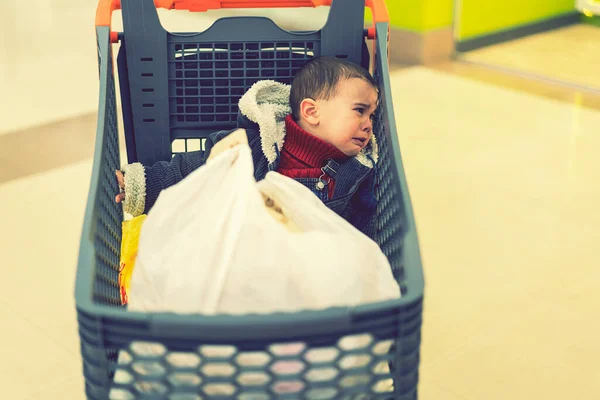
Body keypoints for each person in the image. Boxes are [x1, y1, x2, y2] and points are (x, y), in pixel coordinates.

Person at [116, 56, 380, 239]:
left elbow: (361, 230)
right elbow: (193, 170)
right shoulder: (254, 146)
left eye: (372, 116)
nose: (369, 125)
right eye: (360, 111)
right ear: (311, 112)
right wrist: (141, 185)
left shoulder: (353, 174)